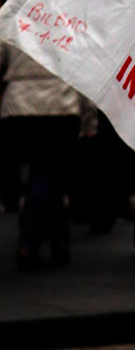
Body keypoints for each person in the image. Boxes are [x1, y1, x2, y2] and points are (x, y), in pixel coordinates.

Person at [0, 42, 97, 270]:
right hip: (60, 106)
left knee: (46, 174)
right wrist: (89, 120)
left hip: (19, 107)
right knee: (47, 175)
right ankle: (29, 243)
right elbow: (84, 75)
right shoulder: (73, 24)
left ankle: (59, 242)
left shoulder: (14, 13)